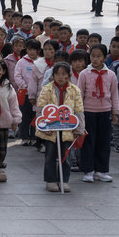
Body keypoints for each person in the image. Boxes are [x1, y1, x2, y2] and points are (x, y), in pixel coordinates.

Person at [36, 62, 85, 192]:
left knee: (66, 156)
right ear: (53, 75)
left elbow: (79, 110)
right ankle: (51, 180)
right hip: (50, 129)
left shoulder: (75, 90)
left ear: (68, 75)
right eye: (58, 74)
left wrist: (79, 128)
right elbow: (41, 109)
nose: (60, 77)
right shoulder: (47, 89)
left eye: (64, 74)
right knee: (50, 155)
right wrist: (43, 127)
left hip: (68, 129)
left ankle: (63, 180)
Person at [78, 44, 119, 183]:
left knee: (104, 142)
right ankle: (88, 170)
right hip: (88, 111)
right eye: (92, 56)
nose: (95, 59)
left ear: (105, 58)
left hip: (105, 111)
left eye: (98, 56)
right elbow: (79, 94)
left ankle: (101, 170)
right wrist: (79, 112)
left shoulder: (111, 75)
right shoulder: (84, 74)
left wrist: (115, 112)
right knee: (88, 141)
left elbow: (114, 94)